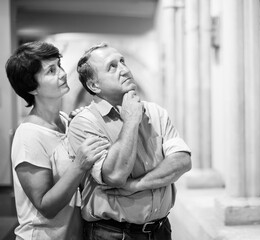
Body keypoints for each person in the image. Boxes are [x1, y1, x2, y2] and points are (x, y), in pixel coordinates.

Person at [68, 43, 192, 240]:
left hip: (160, 230)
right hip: (112, 233)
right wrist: (131, 120)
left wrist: (135, 185)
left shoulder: (155, 112)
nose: (125, 70)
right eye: (112, 67)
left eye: (123, 62)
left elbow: (182, 162)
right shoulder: (84, 123)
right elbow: (116, 174)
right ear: (94, 85)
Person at [5, 41, 110, 240]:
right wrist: (79, 165)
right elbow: (46, 206)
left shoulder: (64, 120)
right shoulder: (28, 135)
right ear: (32, 87)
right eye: (51, 71)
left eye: (59, 65)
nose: (62, 73)